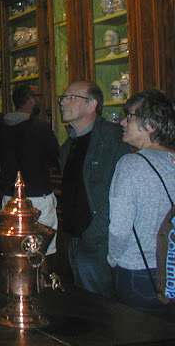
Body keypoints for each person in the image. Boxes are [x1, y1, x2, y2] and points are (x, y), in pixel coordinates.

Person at [58, 80, 131, 298]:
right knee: (83, 306)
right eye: (63, 97)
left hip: (98, 243)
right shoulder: (68, 146)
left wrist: (95, 234)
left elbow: (119, 196)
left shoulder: (112, 139)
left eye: (72, 97)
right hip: (75, 239)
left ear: (92, 105)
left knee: (101, 311)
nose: (63, 102)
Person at [108, 89, 175, 319]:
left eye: (130, 116)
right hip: (171, 269)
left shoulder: (130, 165)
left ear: (151, 125)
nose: (123, 122)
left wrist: (113, 260)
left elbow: (119, 229)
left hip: (139, 271)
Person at [0, 85, 60, 256]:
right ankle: (41, 281)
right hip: (37, 194)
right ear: (31, 100)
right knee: (42, 249)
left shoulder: (2, 125)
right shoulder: (40, 127)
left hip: (10, 195)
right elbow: (54, 155)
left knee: (15, 249)